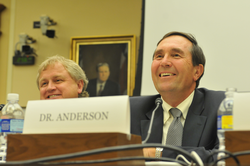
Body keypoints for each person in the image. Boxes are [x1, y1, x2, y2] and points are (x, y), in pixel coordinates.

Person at [130, 31, 225, 163]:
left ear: (197, 71)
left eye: (175, 55)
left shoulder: (222, 106)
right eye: (159, 56)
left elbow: (227, 157)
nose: (164, 62)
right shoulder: (131, 110)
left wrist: (158, 153)